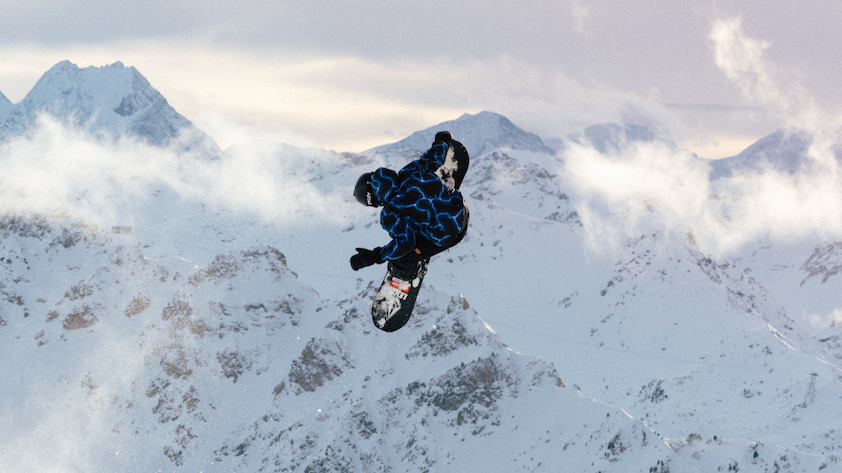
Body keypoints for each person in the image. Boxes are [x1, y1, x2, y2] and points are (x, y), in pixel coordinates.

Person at [350, 131, 469, 276]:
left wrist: (375, 256)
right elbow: (433, 157)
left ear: (373, 200)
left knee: (401, 256)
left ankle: (411, 274)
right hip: (461, 210)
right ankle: (440, 196)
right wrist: (441, 142)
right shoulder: (408, 171)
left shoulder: (389, 214)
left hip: (449, 235)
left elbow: (405, 243)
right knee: (424, 194)